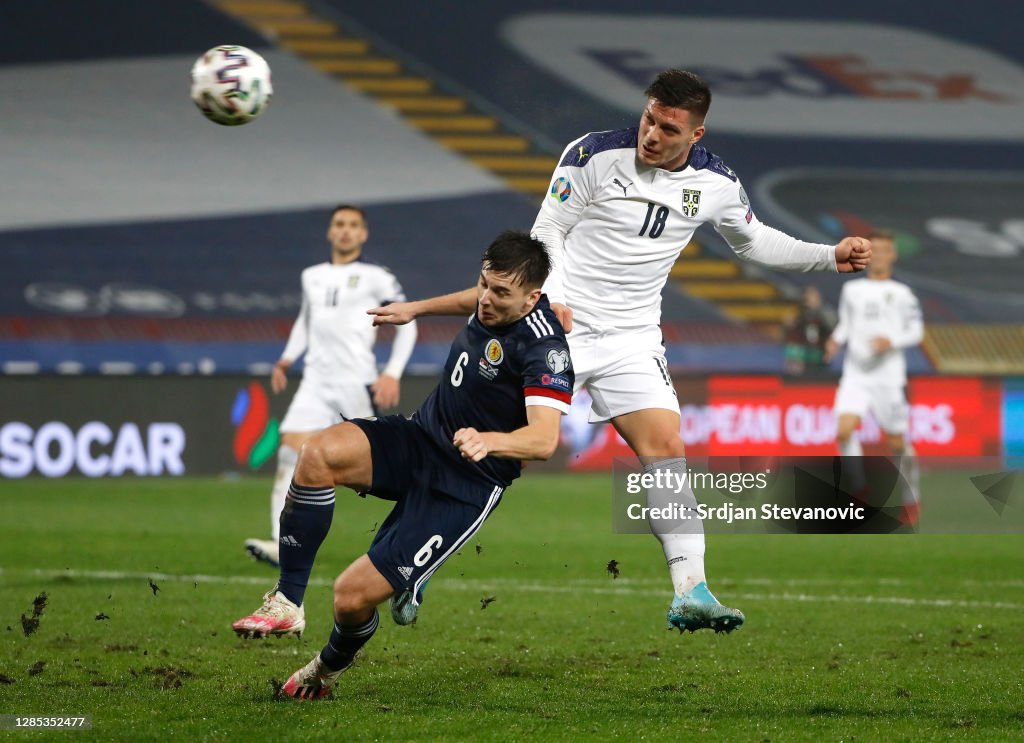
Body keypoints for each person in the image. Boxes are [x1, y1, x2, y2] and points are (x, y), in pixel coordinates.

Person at [370, 69, 872, 633]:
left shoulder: (716, 184)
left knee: (666, 446)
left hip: (632, 337)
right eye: (649, 119)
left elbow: (753, 240)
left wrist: (827, 256)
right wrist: (554, 296)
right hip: (556, 326)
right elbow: (548, 230)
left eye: (668, 129)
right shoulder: (593, 155)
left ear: (696, 135)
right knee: (490, 452)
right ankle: (412, 561)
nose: (652, 135)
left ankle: (691, 590)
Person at [232, 231, 573, 700]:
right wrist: (416, 309)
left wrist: (489, 440)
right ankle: (287, 600)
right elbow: (473, 297)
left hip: (465, 484)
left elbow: (544, 440)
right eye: (484, 284)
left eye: (500, 293)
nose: (485, 300)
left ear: (532, 299)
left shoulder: (544, 348)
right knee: (317, 454)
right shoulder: (493, 299)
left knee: (350, 597)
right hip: (420, 439)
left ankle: (325, 670)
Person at [243, 205, 418, 568]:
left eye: (353, 225)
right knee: (290, 452)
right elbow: (305, 321)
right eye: (339, 224)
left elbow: (409, 324)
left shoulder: (376, 277)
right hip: (315, 381)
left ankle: (413, 531)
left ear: (363, 234)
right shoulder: (312, 276)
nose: (346, 230)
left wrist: (392, 373)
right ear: (330, 231)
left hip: (356, 382)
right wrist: (287, 358)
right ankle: (281, 543)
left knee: (379, 469)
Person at [825, 229, 923, 524]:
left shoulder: (903, 294)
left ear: (892, 255)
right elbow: (845, 323)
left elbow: (916, 332)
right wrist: (835, 340)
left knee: (897, 443)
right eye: (873, 249)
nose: (878, 255)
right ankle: (859, 488)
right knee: (843, 431)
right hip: (855, 374)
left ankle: (911, 497)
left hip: (888, 378)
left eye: (883, 250)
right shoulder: (852, 290)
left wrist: (891, 340)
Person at [783, 286, 834, 376]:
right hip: (806, 357)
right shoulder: (802, 317)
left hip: (820, 356)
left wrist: (828, 352)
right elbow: (795, 337)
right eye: (809, 298)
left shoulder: (824, 316)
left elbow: (829, 335)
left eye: (815, 297)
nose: (812, 300)